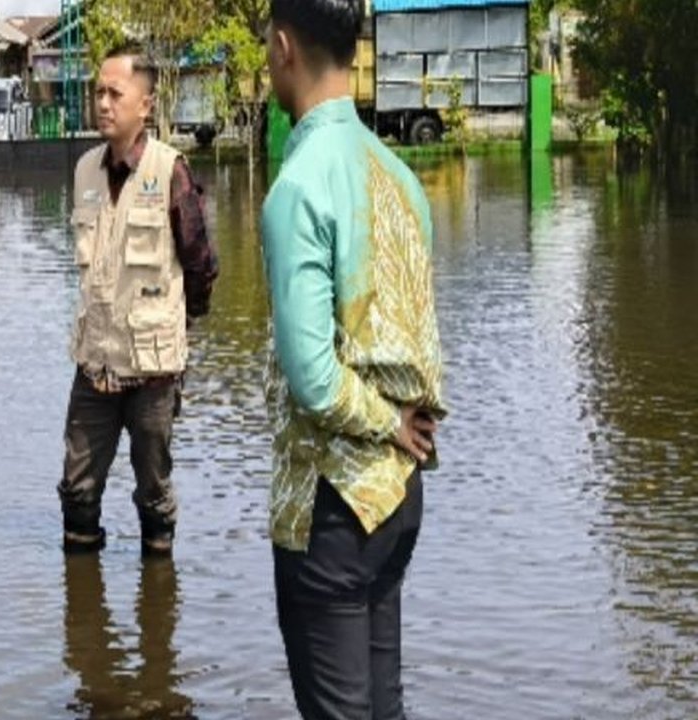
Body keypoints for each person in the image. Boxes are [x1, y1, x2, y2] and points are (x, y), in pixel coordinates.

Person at [259, 1, 447, 717]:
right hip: (397, 499)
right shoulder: (397, 175)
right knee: (382, 707)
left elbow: (313, 379)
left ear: (284, 47)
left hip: (332, 507)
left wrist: (387, 422)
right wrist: (404, 425)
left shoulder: (300, 186)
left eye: (266, 48)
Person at [56, 47, 218, 556]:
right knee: (77, 492)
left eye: (115, 94)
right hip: (94, 364)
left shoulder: (170, 171)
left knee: (153, 495)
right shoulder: (84, 170)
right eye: (98, 93)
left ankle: (159, 593)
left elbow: (201, 265)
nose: (103, 104)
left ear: (145, 105)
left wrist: (175, 329)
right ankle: (83, 596)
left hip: (153, 372)